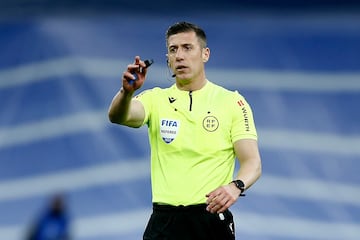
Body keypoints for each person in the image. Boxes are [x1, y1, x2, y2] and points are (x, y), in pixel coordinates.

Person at [108, 21, 262, 240]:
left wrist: (236, 186)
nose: (179, 55)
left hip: (210, 219)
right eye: (173, 50)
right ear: (168, 60)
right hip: (164, 222)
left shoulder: (232, 102)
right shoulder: (155, 99)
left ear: (205, 54)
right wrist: (126, 92)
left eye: (187, 48)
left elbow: (253, 163)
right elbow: (117, 116)